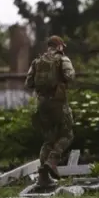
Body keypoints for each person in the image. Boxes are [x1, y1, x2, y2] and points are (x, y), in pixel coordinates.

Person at [24, 35, 75, 188]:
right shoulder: (62, 59)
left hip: (42, 104)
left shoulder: (37, 61)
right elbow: (70, 76)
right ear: (59, 46)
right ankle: (52, 161)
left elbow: (28, 83)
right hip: (58, 103)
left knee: (48, 139)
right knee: (67, 134)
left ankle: (43, 178)